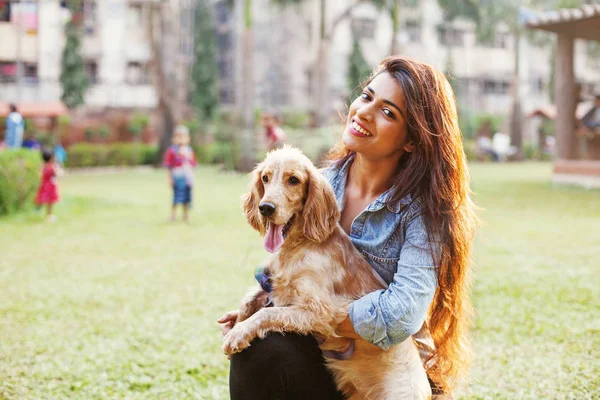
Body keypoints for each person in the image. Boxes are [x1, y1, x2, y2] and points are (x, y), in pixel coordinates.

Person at [219, 56, 478, 399]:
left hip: (387, 377)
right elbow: (292, 271)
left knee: (266, 331)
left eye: (389, 113)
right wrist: (268, 304)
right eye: (368, 96)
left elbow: (400, 315)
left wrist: (301, 313)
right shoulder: (315, 184)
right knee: (258, 349)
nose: (364, 113)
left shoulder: (423, 214)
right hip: (329, 363)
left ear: (412, 139)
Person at [163, 125, 197, 222]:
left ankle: (185, 215)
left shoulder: (189, 151)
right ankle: (173, 215)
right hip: (177, 177)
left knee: (186, 198)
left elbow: (193, 164)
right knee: (176, 197)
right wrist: (170, 178)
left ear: (188, 138)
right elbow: (168, 166)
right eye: (179, 137)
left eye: (184, 137)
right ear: (174, 138)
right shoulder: (172, 151)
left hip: (187, 178)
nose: (181, 139)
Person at [35, 147, 62, 223]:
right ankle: (49, 215)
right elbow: (56, 174)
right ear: (51, 157)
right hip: (51, 185)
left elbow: (40, 175)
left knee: (43, 198)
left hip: (44, 184)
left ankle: (38, 209)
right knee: (50, 202)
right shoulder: (52, 166)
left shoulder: (42, 165)